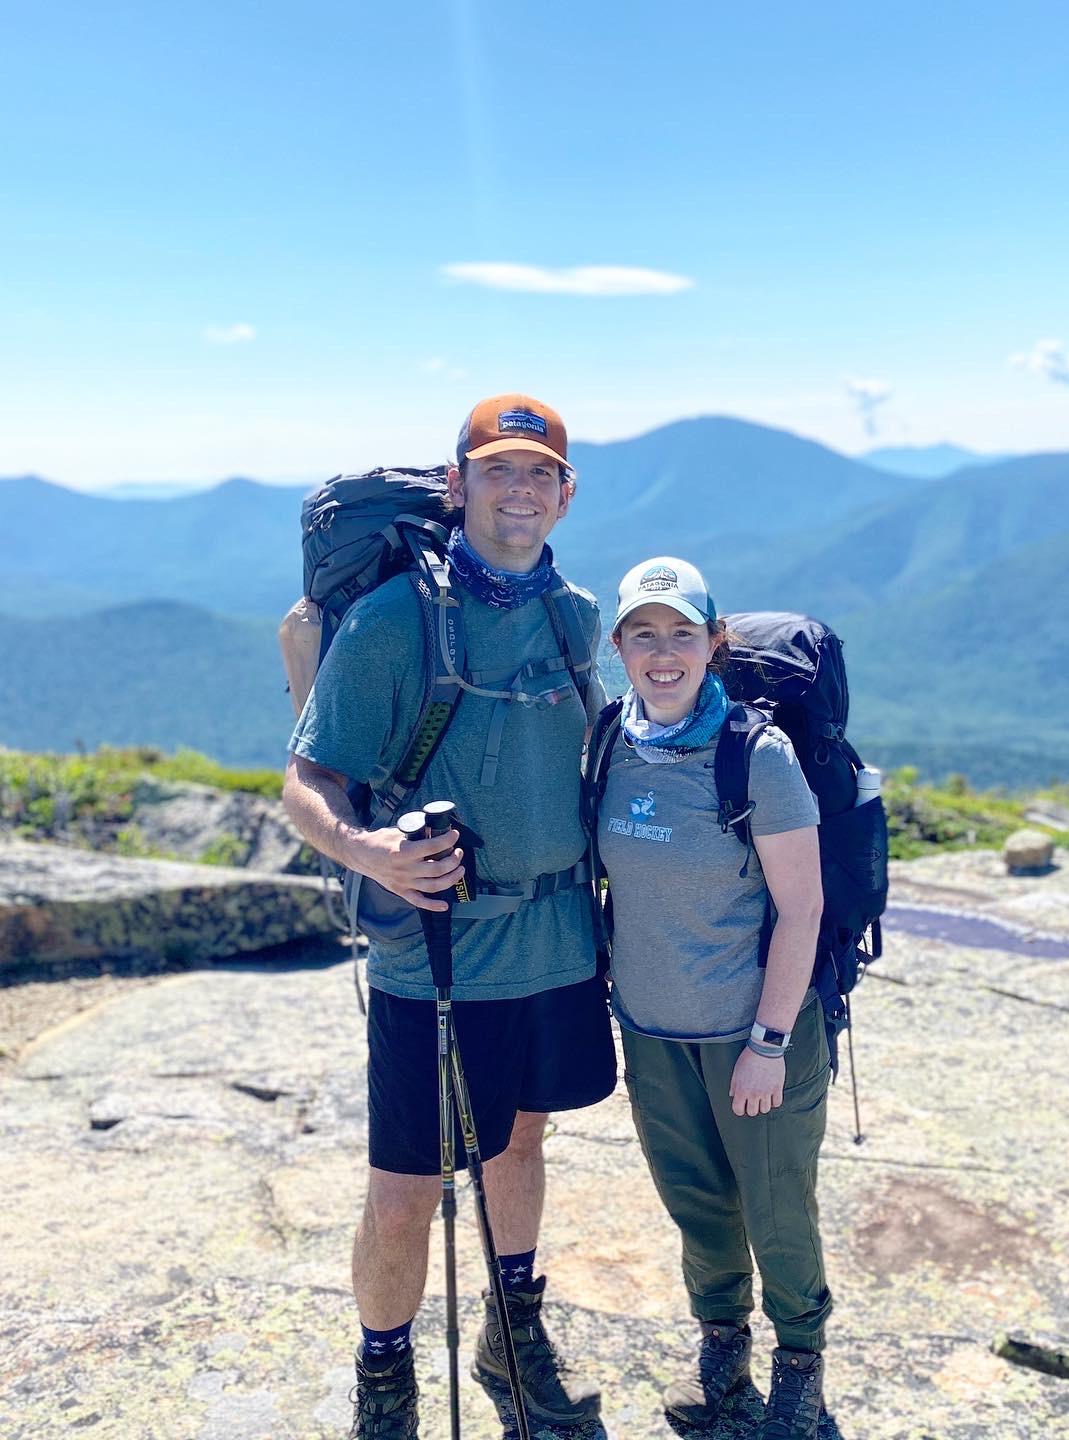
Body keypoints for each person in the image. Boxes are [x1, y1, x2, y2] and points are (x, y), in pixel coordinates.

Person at [283, 394, 615, 1438]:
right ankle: (385, 1379)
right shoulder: (395, 622)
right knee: (404, 1191)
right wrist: (369, 850)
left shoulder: (578, 615)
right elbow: (306, 782)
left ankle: (510, 1333)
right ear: (457, 483)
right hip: (434, 951)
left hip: (557, 943)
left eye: (539, 473)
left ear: (566, 494)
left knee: (520, 1143)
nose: (519, 490)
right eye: (498, 470)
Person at [592, 557, 832, 1440]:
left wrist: (769, 1043)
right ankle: (722, 1340)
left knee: (776, 1208)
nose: (663, 653)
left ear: (714, 643)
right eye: (643, 634)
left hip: (751, 1031)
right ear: (618, 646)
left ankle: (800, 1356)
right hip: (652, 1030)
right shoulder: (610, 740)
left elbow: (802, 907)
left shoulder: (754, 757)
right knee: (696, 1202)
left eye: (682, 633)